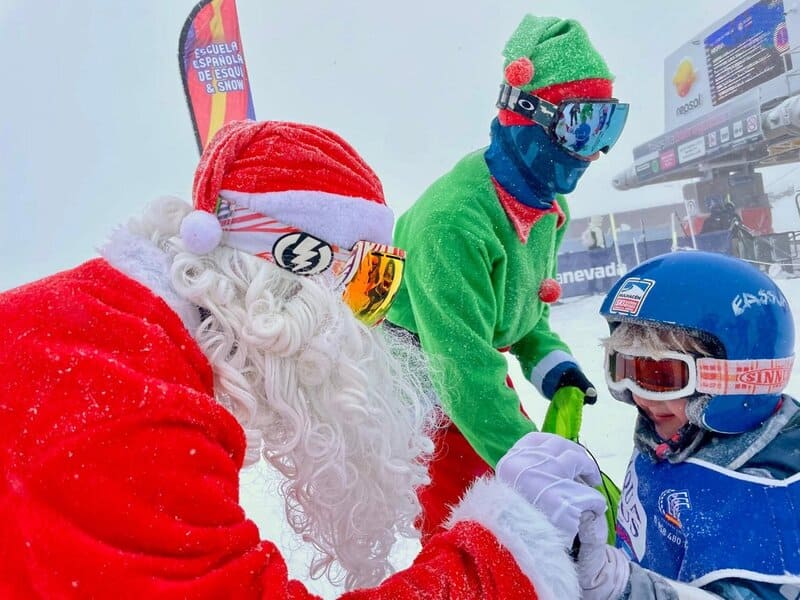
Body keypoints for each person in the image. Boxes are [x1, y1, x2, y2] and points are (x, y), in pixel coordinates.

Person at [0, 119, 586, 599]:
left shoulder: (112, 331)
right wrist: (505, 562)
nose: (373, 323)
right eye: (368, 283)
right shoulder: (127, 400)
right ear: (289, 268)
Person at [385, 14, 630, 542]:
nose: (595, 151)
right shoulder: (453, 223)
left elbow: (523, 314)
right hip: (419, 376)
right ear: (529, 115)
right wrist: (537, 472)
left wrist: (553, 364)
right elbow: (462, 370)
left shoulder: (545, 204)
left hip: (464, 363)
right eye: (581, 125)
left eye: (607, 126)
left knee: (512, 491)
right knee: (469, 513)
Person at [496, 250, 800, 599]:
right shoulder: (674, 435)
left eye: (661, 376)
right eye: (625, 369)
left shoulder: (768, 497)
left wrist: (617, 585)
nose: (640, 396)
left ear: (736, 379)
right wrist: (582, 522)